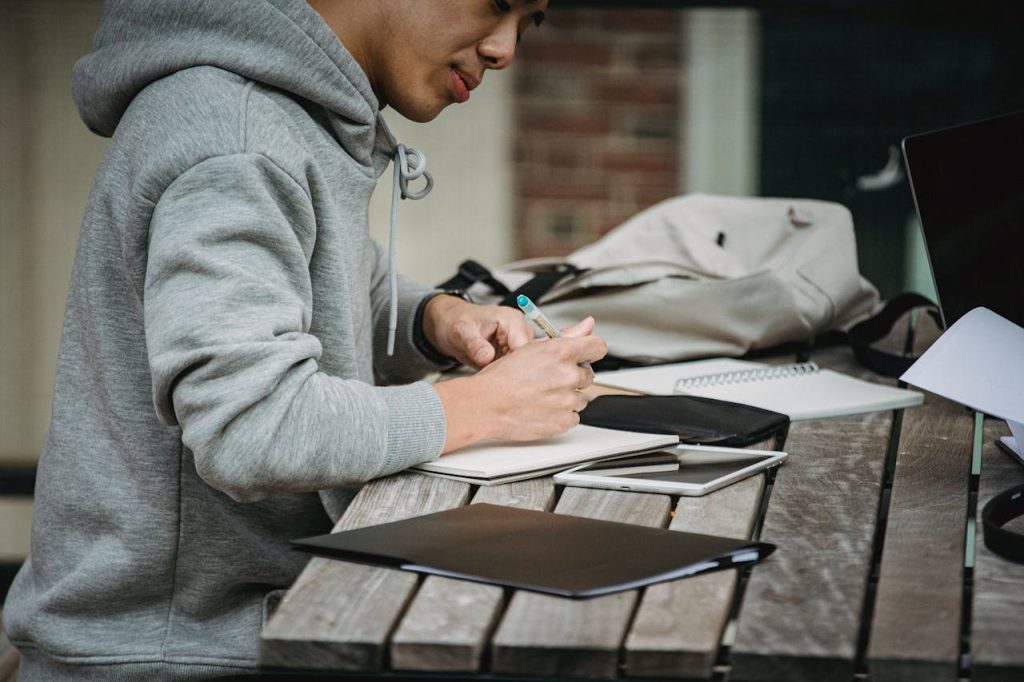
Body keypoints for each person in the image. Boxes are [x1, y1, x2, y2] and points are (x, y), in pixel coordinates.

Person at [3, 1, 606, 680]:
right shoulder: (236, 138)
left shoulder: (297, 118)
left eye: (529, 23)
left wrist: (435, 318)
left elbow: (328, 285)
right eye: (498, 5)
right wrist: (484, 407)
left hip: (251, 620)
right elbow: (252, 428)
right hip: (171, 651)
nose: (505, 49)